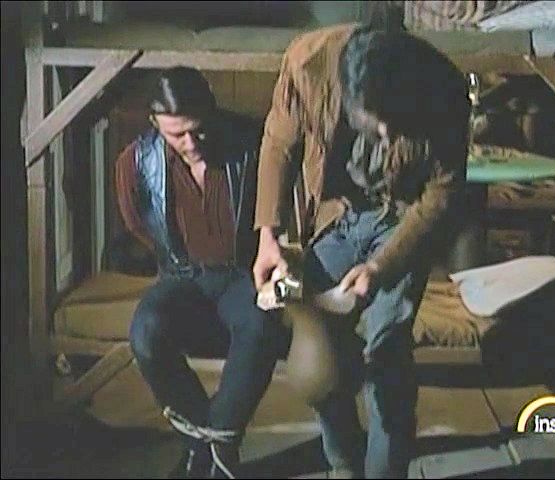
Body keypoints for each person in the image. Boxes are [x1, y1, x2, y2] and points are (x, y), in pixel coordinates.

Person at [252, 24, 470, 478]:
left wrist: (379, 267)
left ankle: (384, 472)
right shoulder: (307, 65)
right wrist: (268, 236)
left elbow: (442, 195)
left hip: (401, 219)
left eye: (397, 121)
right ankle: (343, 464)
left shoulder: (442, 87)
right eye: (377, 120)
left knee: (386, 351)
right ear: (348, 96)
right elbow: (278, 144)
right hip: (336, 215)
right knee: (317, 348)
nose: (388, 133)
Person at [115, 67, 289, 479]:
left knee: (261, 324)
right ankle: (207, 444)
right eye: (177, 135)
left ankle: (216, 448)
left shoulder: (251, 142)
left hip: (242, 273)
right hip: (181, 275)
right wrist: (179, 258)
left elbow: (278, 208)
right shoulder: (136, 161)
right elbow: (138, 224)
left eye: (198, 130)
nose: (191, 143)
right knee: (145, 332)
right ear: (155, 123)